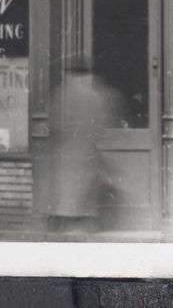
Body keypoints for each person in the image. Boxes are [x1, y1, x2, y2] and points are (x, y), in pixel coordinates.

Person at [47, 53, 123, 236]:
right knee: (83, 201)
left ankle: (65, 231)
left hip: (65, 156)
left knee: (67, 199)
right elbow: (102, 128)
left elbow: (53, 125)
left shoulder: (60, 95)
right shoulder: (95, 97)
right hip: (86, 155)